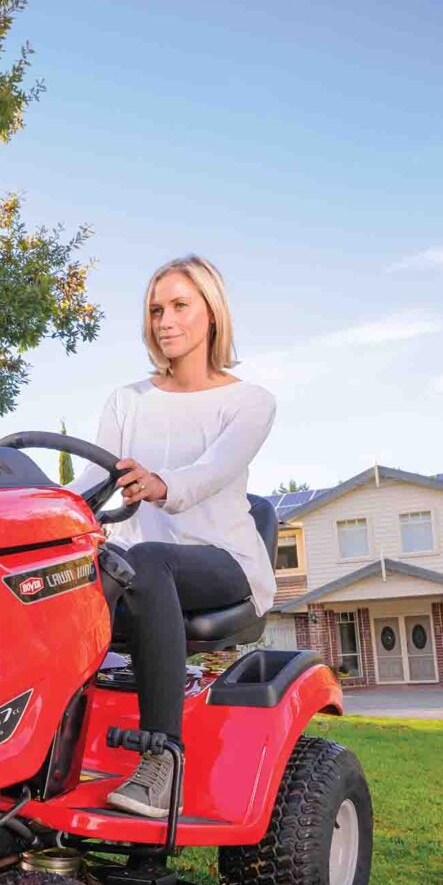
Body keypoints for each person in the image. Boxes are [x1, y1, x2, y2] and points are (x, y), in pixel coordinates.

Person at [72, 255, 276, 819]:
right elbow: (91, 480)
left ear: (211, 314)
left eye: (180, 306)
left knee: (147, 559)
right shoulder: (126, 400)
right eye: (156, 309)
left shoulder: (249, 402)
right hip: (140, 569)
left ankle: (162, 758)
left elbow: (212, 471)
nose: (165, 320)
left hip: (222, 564)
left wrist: (161, 484)